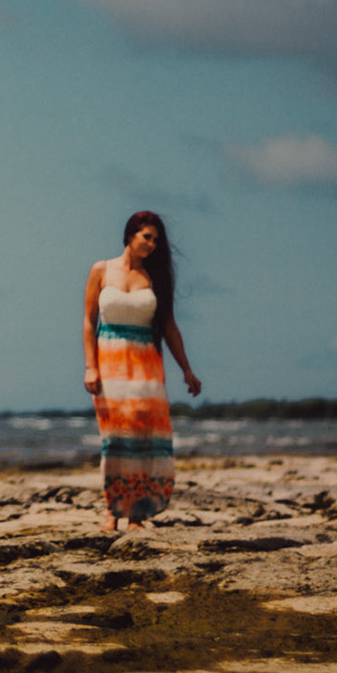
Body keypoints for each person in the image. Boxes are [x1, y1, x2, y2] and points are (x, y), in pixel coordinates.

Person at [83, 211, 200, 532]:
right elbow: (89, 321)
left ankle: (135, 513)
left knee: (142, 438)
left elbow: (169, 328)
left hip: (146, 367)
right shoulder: (101, 270)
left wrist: (187, 370)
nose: (151, 244)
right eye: (147, 237)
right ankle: (113, 510)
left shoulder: (156, 278)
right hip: (109, 365)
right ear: (131, 235)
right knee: (114, 438)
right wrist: (91, 366)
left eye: (156, 240)